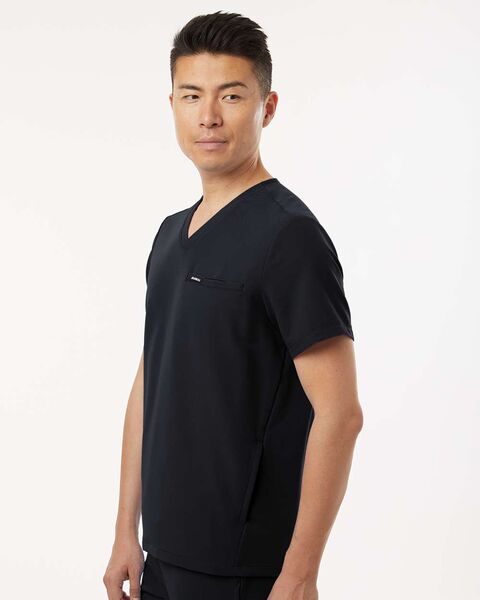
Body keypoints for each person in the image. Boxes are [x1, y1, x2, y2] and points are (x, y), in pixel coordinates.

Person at [103, 10, 363, 600]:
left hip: (244, 568)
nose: (209, 116)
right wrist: (125, 531)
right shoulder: (169, 235)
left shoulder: (289, 236)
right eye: (192, 95)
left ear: (267, 108)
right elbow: (150, 380)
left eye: (231, 95)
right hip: (161, 556)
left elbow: (341, 413)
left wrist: (300, 573)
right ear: (172, 104)